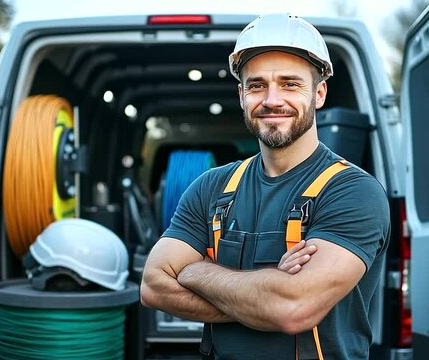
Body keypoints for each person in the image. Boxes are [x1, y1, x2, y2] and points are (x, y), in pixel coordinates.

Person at [141, 13, 390, 360]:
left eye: (290, 84)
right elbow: (154, 286)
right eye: (257, 85)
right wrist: (267, 296)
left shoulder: (352, 192)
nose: (272, 100)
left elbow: (292, 308)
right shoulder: (210, 187)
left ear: (318, 93)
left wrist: (196, 271)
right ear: (242, 94)